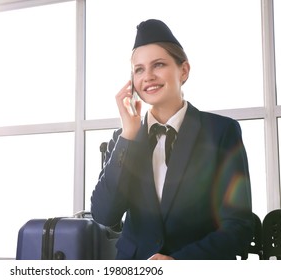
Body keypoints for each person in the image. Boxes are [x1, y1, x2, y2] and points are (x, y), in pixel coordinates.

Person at [90, 19, 253, 260]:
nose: (148, 77)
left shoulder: (221, 132)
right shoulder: (126, 138)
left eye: (158, 65)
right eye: (139, 69)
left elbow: (238, 225)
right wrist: (128, 136)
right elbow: (104, 214)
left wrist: (180, 263)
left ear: (184, 70)